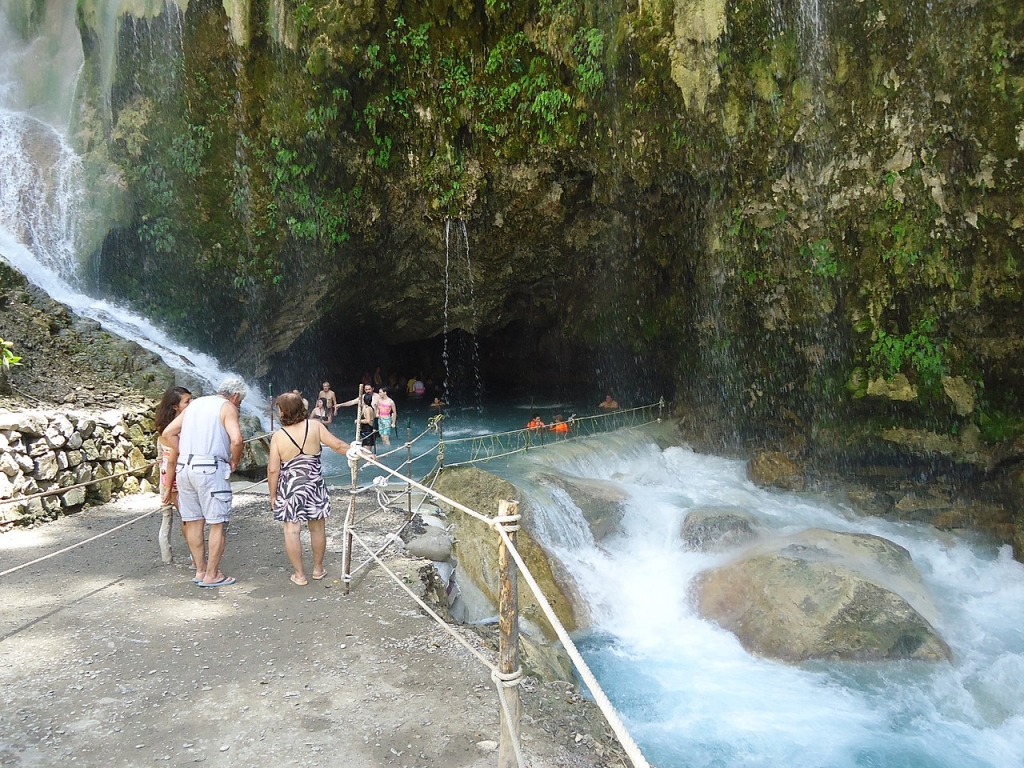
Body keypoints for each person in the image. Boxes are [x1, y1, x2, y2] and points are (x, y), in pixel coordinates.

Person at [161, 377, 246, 588]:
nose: (239, 405)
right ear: (235, 396)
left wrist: (183, 451)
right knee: (218, 522)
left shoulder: (195, 404)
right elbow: (237, 440)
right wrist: (234, 460)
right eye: (240, 401)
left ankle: (200, 570)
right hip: (210, 468)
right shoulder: (227, 407)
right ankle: (212, 574)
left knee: (193, 520)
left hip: (184, 468)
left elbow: (167, 433)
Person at [267, 391, 351, 586]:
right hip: (314, 485)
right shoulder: (315, 426)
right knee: (318, 528)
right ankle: (318, 569)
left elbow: (273, 469)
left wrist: (273, 495)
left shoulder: (278, 437)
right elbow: (338, 446)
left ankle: (299, 575)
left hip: (289, 487)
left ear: (283, 411)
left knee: (291, 530)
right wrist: (359, 452)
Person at [154, 386, 192, 565]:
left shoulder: (165, 426)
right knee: (189, 518)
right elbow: (171, 461)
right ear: (175, 406)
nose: (191, 404)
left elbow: (163, 458)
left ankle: (192, 556)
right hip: (175, 477)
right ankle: (196, 558)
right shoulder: (174, 430)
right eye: (187, 401)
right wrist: (168, 489)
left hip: (173, 476)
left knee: (189, 517)